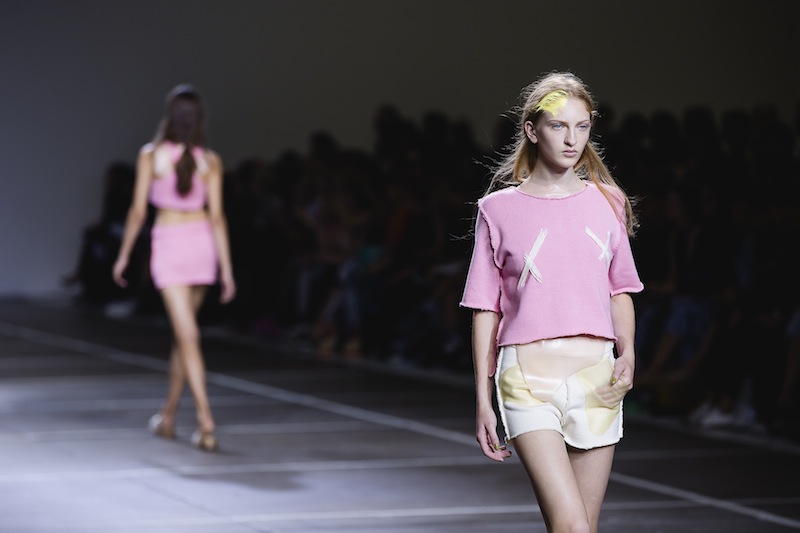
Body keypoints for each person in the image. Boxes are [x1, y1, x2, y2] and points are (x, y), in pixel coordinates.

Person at [460, 71, 643, 532]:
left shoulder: (608, 201)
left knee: (583, 528)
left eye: (582, 126)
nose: (571, 139)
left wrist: (628, 354)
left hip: (597, 376)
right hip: (525, 377)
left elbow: (620, 288)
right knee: (571, 526)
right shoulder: (497, 210)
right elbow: (486, 308)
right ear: (532, 130)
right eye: (559, 126)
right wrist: (483, 399)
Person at [113, 84, 236, 452]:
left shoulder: (151, 156)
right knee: (185, 338)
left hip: (169, 246)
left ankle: (205, 419)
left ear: (169, 116)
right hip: (201, 247)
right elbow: (217, 219)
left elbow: (138, 212)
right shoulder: (210, 161)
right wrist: (226, 269)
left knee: (187, 337)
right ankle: (168, 416)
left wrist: (124, 255)